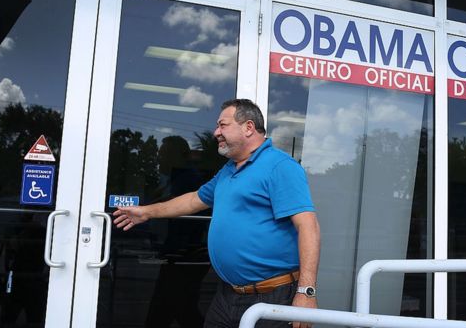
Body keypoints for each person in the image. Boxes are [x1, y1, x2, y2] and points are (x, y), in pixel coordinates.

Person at [113, 99, 320, 328]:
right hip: (227, 294)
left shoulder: (280, 166)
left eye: (223, 125)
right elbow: (194, 200)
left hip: (271, 295)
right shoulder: (229, 170)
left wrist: (306, 292)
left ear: (248, 127)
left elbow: (308, 226)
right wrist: (146, 212)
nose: (216, 133)